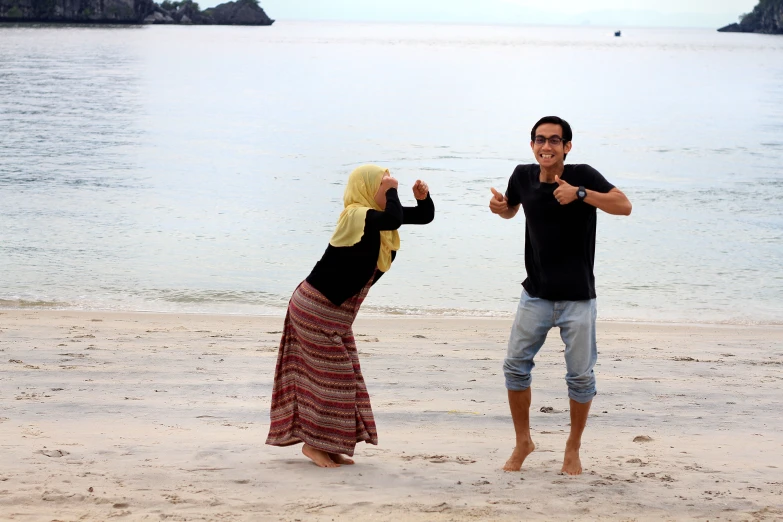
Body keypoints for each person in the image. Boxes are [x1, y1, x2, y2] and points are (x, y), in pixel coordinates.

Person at [488, 116, 632, 476]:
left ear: (567, 146)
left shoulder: (582, 175)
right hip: (534, 295)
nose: (546, 146)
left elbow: (624, 205)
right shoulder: (522, 175)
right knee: (515, 368)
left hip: (578, 299)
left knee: (580, 377)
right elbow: (512, 208)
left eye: (554, 140)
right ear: (532, 145)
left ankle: (573, 447)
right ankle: (524, 441)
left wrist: (581, 194)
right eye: (540, 140)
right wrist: (501, 208)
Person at [266, 164, 435, 468]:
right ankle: (313, 446)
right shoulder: (357, 215)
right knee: (337, 379)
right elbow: (395, 217)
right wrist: (394, 189)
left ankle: (327, 445)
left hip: (336, 316)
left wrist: (423, 198)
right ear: (367, 189)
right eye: (384, 187)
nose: (390, 193)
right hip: (316, 309)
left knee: (342, 379)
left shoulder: (375, 219)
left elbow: (422, 216)